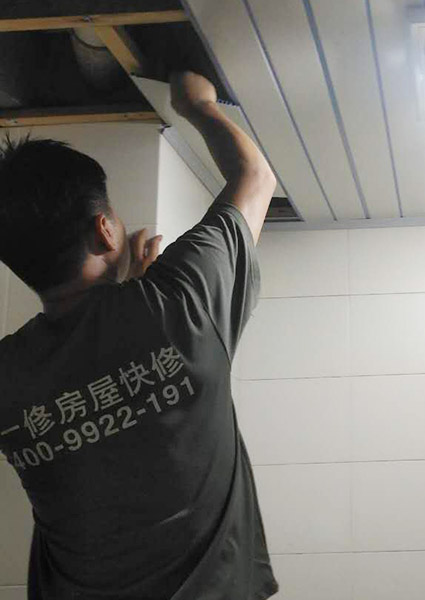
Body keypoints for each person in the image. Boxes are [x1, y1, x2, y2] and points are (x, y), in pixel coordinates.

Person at [0, 72, 278, 600]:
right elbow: (254, 176)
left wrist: (129, 296)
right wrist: (196, 103)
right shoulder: (179, 303)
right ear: (105, 230)